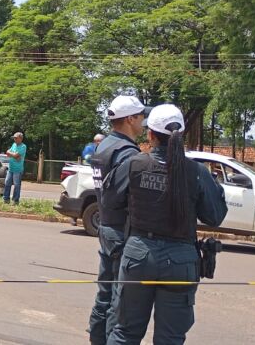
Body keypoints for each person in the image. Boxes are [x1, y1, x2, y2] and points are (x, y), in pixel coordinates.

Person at [106, 104, 228, 344]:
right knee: (171, 338)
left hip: (138, 255)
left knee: (125, 332)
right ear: (180, 135)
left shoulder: (134, 164)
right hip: (181, 262)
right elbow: (214, 216)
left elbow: (110, 201)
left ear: (150, 135)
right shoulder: (197, 172)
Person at [87, 95, 150, 345]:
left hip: (107, 224)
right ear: (130, 119)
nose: (144, 122)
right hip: (121, 229)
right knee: (118, 298)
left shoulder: (104, 145)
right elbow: (130, 196)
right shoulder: (126, 152)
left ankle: (96, 339)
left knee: (104, 293)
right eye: (141, 116)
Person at [3, 132, 27, 204]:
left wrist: (12, 155)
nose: (14, 139)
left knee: (17, 185)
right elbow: (7, 152)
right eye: (14, 138)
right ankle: (6, 199)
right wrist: (14, 155)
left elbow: (16, 156)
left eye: (16, 138)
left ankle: (15, 200)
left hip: (18, 169)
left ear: (21, 138)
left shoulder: (23, 146)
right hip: (10, 168)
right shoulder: (14, 144)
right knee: (7, 183)